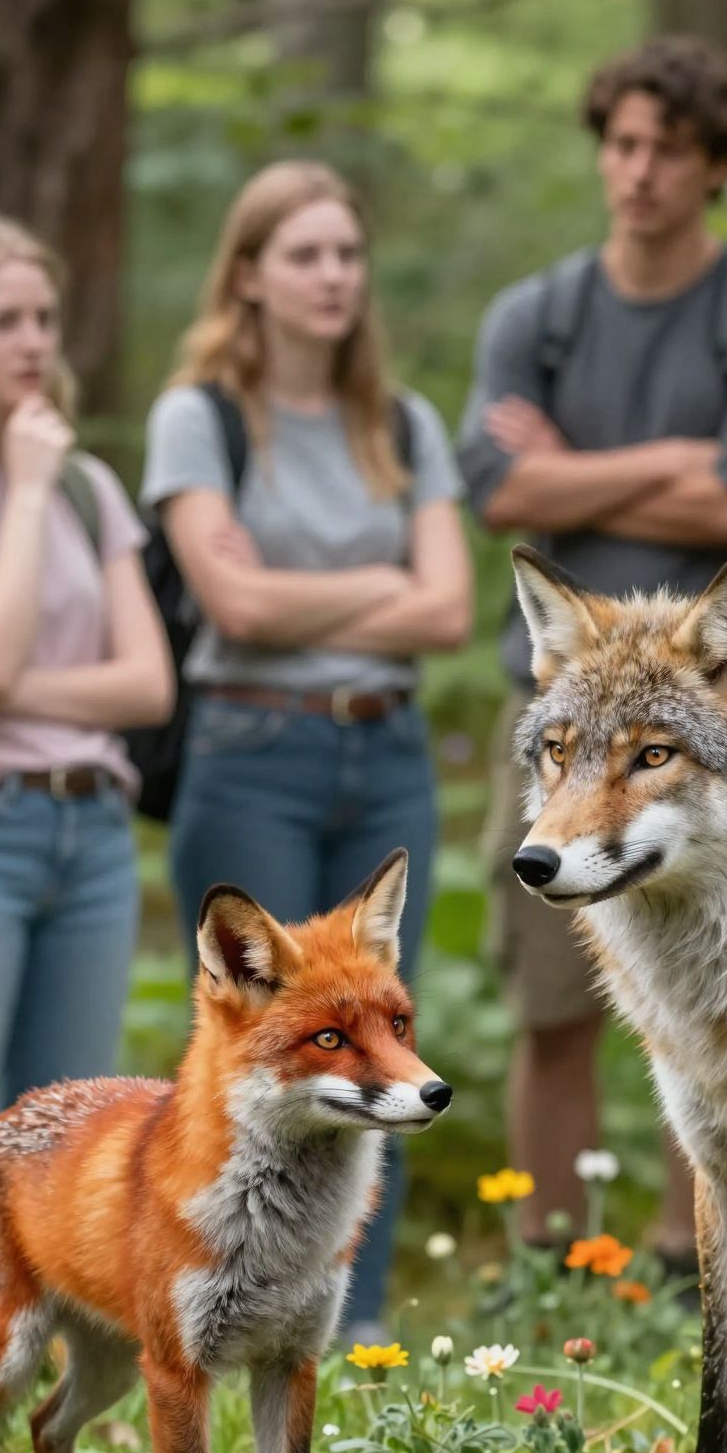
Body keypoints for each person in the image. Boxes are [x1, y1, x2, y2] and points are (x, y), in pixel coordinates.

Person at [457, 36, 727, 1259]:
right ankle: (553, 1270)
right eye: (621, 144)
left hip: (712, 740)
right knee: (552, 1013)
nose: (640, 172)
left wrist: (574, 470)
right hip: (565, 736)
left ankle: (689, 1259)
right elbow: (501, 493)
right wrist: (677, 462)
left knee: (717, 1014)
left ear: (715, 163)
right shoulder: (539, 315)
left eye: (670, 148)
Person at [141, 160, 472, 1342]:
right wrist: (381, 580)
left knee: (376, 1034)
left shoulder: (403, 422)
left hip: (386, 754)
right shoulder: (201, 418)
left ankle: (354, 1322)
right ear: (248, 275)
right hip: (252, 752)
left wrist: (307, 596)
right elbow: (231, 604)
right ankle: (214, 1306)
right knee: (262, 1040)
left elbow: (448, 609)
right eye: (304, 254)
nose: (333, 275)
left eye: (346, 253)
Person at [0, 214, 173, 1280]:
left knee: (62, 1151)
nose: (31, 342)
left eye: (43, 319)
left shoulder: (88, 487)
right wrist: (15, 489)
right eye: (1, 320)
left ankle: (7, 1427)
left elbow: (145, 683)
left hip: (91, 836)